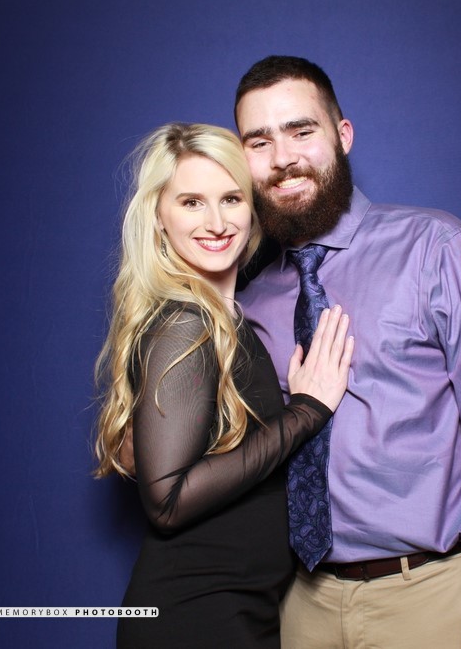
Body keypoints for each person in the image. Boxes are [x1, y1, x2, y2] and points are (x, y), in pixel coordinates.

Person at [233, 56, 461, 649]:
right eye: (260, 142)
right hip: (298, 604)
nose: (282, 158)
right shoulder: (249, 295)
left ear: (343, 135)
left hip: (430, 597)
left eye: (301, 131)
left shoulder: (437, 248)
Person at [93, 122, 355, 649]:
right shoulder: (186, 321)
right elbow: (167, 501)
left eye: (231, 199)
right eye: (191, 202)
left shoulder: (224, 315)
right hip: (196, 618)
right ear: (159, 217)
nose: (216, 223)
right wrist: (306, 411)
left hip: (239, 612)